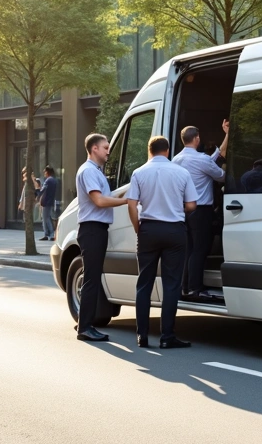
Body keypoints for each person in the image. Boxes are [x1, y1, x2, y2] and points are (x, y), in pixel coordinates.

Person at [127, 135, 199, 349]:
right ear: (167, 151)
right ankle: (167, 336)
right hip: (174, 231)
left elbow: (131, 205)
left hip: (148, 230)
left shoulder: (139, 172)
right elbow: (192, 205)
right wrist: (176, 208)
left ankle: (142, 335)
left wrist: (139, 229)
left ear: (149, 150)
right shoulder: (182, 172)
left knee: (144, 283)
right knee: (171, 284)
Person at [75, 133, 127, 343]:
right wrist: (127, 202)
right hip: (92, 229)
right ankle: (85, 328)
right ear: (94, 148)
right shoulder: (88, 171)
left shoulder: (95, 171)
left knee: (92, 278)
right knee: (92, 279)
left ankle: (84, 322)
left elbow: (106, 197)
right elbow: (99, 201)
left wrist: (125, 195)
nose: (108, 151)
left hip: (96, 229)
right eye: (105, 147)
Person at [172, 121, 228, 300]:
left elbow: (214, 158)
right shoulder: (201, 159)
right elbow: (221, 176)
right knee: (200, 249)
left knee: (189, 249)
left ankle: (185, 287)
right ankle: (196, 288)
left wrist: (227, 134)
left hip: (183, 210)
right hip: (201, 210)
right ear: (197, 139)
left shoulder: (176, 160)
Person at [36, 166, 59, 241]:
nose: (44, 173)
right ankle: (47, 234)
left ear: (47, 172)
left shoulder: (48, 180)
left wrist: (37, 194)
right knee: (46, 217)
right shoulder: (54, 180)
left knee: (46, 218)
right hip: (50, 201)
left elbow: (42, 190)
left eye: (45, 172)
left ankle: (50, 234)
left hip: (46, 202)